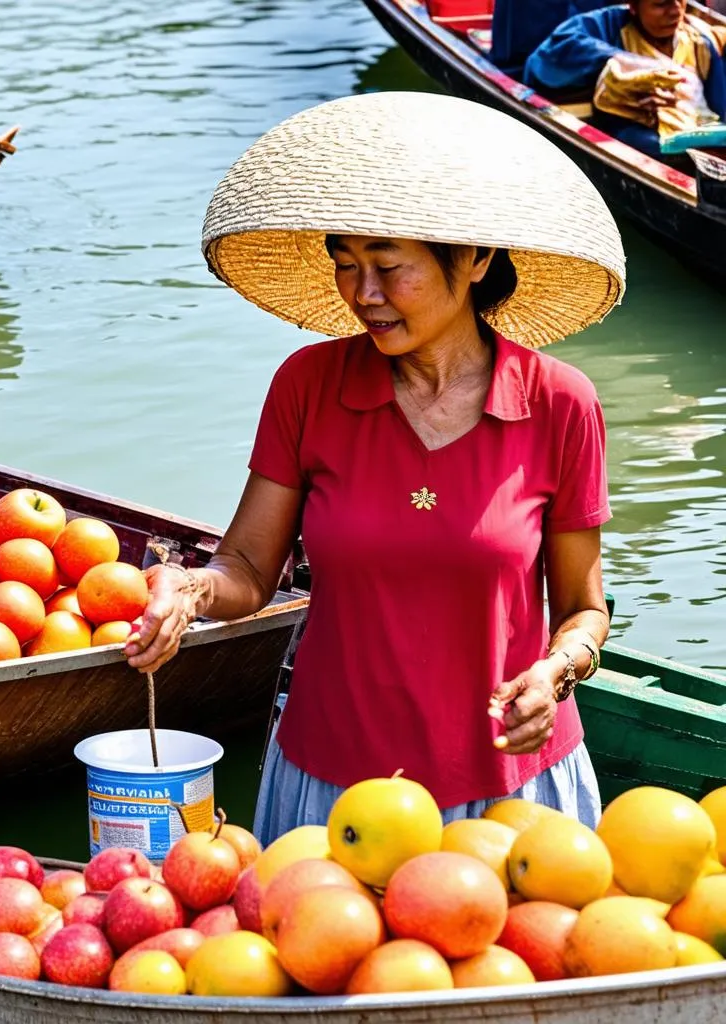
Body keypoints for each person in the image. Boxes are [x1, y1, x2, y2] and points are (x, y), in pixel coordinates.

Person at [124, 91, 626, 847]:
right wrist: (188, 592)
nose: (364, 295)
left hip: (510, 787)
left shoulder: (559, 403)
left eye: (389, 267)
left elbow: (584, 608)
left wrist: (556, 674)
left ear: (476, 259)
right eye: (347, 265)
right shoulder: (309, 386)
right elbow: (249, 568)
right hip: (335, 786)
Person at [523, 1, 726, 159]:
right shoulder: (610, 27)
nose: (675, 12)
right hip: (651, 139)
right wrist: (625, 65)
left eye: (679, 1)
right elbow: (551, 54)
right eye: (660, 4)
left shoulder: (698, 40)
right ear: (634, 6)